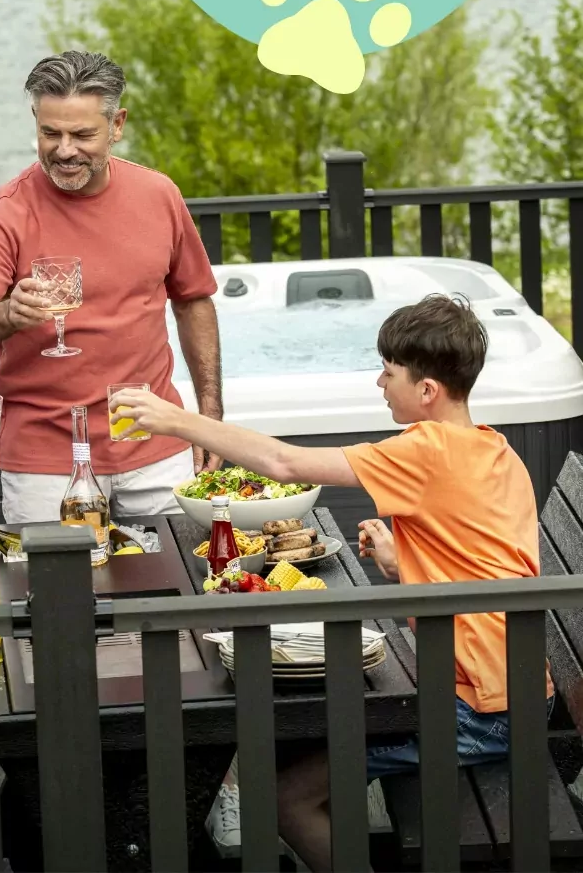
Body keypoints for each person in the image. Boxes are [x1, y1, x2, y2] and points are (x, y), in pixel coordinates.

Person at [111, 294, 554, 872]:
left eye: (389, 372)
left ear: (427, 390)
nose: (379, 382)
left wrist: (178, 421)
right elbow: (490, 560)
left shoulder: (428, 450)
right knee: (304, 738)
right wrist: (403, 564)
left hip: (483, 710)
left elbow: (285, 465)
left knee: (282, 795)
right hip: (514, 682)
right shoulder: (495, 448)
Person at [0, 50, 224, 526]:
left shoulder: (159, 195)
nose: (65, 150)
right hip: (44, 461)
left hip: (156, 443)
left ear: (117, 125)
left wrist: (208, 415)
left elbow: (193, 300)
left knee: (182, 570)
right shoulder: (3, 216)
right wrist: (7, 314)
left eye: (82, 135)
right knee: (57, 578)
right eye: (50, 133)